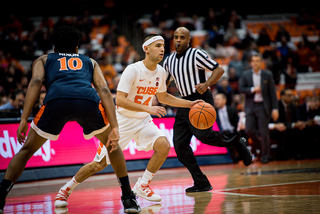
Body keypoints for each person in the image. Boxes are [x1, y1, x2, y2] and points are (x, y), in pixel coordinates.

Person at [0, 26, 141, 214]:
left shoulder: (43, 59)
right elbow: (104, 90)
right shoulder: (89, 61)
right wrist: (115, 127)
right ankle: (128, 198)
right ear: (77, 48)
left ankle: (1, 197)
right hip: (87, 101)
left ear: (54, 47)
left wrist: (24, 118)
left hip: (56, 100)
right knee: (112, 146)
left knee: (26, 151)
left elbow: (35, 83)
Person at [54, 34, 202, 208]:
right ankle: (66, 189)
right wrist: (149, 108)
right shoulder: (133, 70)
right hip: (121, 121)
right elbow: (120, 100)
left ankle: (143, 185)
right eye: (157, 46)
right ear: (146, 49)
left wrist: (191, 103)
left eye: (163, 45)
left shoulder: (161, 72)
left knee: (163, 145)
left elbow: (163, 96)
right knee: (98, 164)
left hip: (142, 121)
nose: (162, 49)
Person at [164, 27, 252, 193]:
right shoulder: (169, 61)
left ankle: (237, 142)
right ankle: (201, 182)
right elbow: (165, 83)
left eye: (182, 37)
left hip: (201, 98)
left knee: (204, 136)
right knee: (179, 146)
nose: (178, 40)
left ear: (189, 40)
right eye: (176, 37)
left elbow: (219, 70)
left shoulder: (196, 54)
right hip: (184, 103)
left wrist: (206, 84)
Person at [239, 53, 279, 164]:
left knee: (263, 132)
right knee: (249, 130)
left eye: (257, 61)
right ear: (251, 63)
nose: (255, 63)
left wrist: (275, 108)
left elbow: (273, 93)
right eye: (253, 61)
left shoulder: (267, 75)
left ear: (261, 62)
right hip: (250, 106)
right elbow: (241, 89)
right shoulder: (245, 74)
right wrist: (252, 89)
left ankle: (266, 155)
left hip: (263, 106)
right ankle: (262, 150)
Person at [214, 93, 240, 162]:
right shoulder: (214, 112)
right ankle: (231, 156)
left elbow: (237, 123)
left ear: (224, 100)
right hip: (221, 134)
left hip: (233, 132)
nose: (216, 101)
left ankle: (240, 154)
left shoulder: (232, 110)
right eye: (215, 99)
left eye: (218, 99)